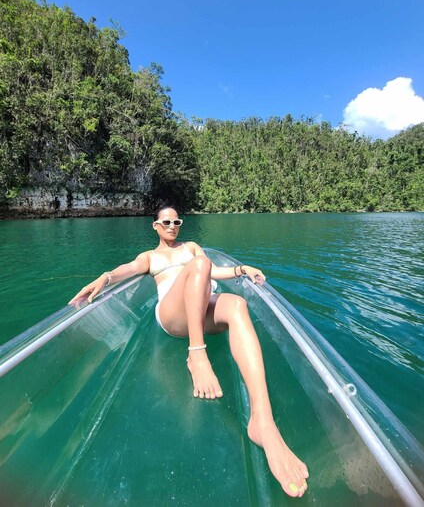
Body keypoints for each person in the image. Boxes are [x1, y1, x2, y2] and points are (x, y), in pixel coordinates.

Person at [69, 205, 309, 498]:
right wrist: (104, 278)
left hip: (203, 305)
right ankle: (197, 352)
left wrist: (241, 269)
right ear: (155, 225)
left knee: (237, 305)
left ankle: (263, 421)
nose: (172, 226)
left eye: (177, 221)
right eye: (166, 222)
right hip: (174, 316)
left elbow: (213, 271)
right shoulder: (151, 257)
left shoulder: (192, 247)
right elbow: (128, 270)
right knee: (197, 266)